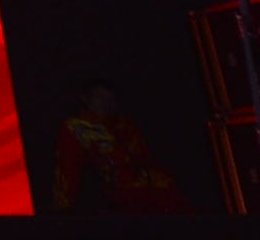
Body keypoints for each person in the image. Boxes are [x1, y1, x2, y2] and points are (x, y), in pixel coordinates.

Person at [53, 83, 190, 217]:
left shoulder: (125, 126)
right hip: (118, 195)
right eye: (99, 97)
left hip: (154, 190)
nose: (105, 103)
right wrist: (63, 207)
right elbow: (67, 168)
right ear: (85, 98)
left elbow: (145, 158)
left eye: (110, 98)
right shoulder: (77, 127)